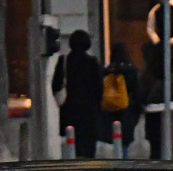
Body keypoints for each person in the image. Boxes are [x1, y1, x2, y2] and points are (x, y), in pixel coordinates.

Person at [52, 30, 103, 159]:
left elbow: (55, 85)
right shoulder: (92, 63)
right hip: (89, 113)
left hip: (70, 111)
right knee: (88, 149)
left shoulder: (64, 61)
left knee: (71, 146)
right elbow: (99, 88)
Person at [100, 42, 142, 157]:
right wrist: (137, 113)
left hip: (109, 112)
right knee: (124, 144)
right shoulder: (131, 71)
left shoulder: (106, 72)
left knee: (114, 141)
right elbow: (137, 94)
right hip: (127, 112)